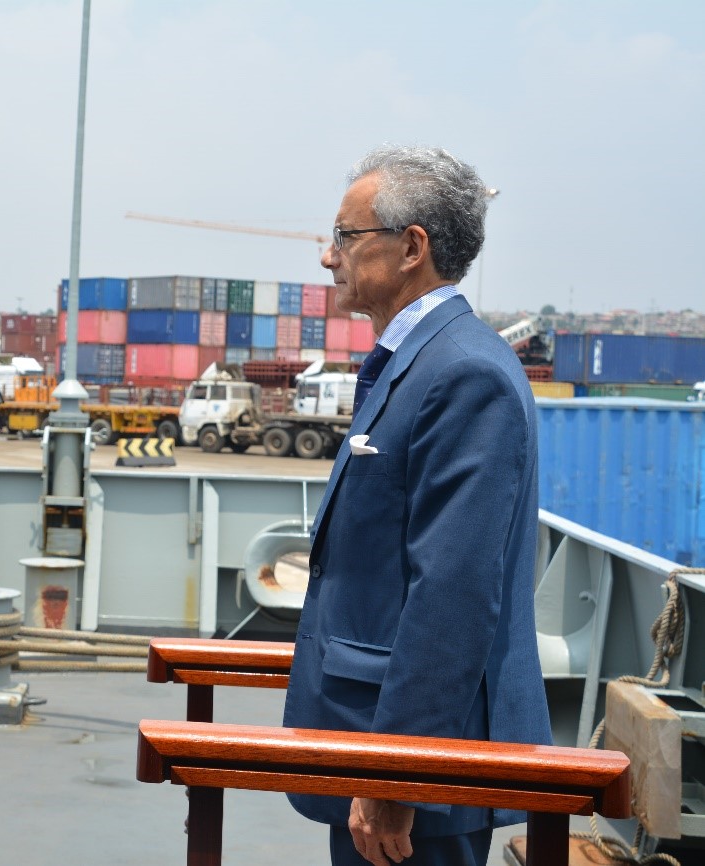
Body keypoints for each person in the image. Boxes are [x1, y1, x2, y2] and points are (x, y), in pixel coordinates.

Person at [281, 146, 550, 866]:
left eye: (344, 236)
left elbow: (454, 589)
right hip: (381, 741)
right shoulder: (423, 360)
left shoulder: (461, 372)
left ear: (411, 247)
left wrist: (396, 773)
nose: (327, 258)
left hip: (413, 767)